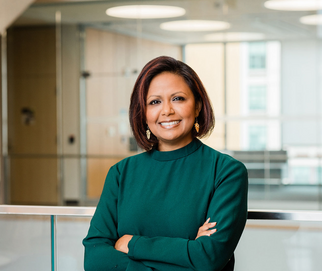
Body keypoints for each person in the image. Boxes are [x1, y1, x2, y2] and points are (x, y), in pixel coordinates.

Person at [83, 56, 248, 271]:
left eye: (178, 99)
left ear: (198, 105)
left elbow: (208, 258)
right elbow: (95, 258)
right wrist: (187, 251)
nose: (167, 110)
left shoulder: (226, 172)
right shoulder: (121, 173)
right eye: (154, 102)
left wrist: (132, 244)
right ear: (143, 113)